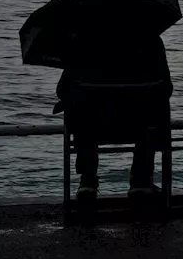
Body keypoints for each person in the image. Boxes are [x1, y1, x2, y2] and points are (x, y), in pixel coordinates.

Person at [56, 28, 172, 203]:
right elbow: (166, 88)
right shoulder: (150, 41)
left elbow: (62, 90)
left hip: (94, 128)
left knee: (82, 112)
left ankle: (88, 179)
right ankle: (141, 179)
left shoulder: (82, 41)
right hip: (138, 127)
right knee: (154, 111)